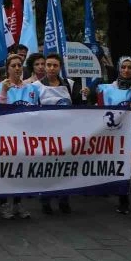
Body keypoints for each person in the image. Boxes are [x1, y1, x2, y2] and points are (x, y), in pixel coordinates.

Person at [0, 54, 38, 219]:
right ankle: (3, 204)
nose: (17, 68)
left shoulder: (32, 89)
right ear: (7, 69)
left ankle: (18, 203)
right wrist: (4, 91)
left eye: (19, 65)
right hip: (5, 137)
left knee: (21, 171)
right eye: (13, 66)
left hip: (25, 138)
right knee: (5, 172)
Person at [95, 55, 131, 214]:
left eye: (130, 67)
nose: (126, 70)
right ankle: (123, 202)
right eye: (123, 67)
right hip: (117, 138)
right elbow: (99, 112)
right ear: (118, 68)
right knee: (121, 170)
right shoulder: (106, 89)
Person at [33, 54, 77, 214]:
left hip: (66, 134)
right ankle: (46, 200)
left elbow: (79, 108)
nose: (51, 68)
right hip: (46, 135)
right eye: (49, 65)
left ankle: (64, 200)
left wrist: (85, 94)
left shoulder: (70, 84)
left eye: (55, 65)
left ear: (60, 67)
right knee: (47, 169)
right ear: (45, 67)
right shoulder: (36, 86)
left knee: (65, 168)